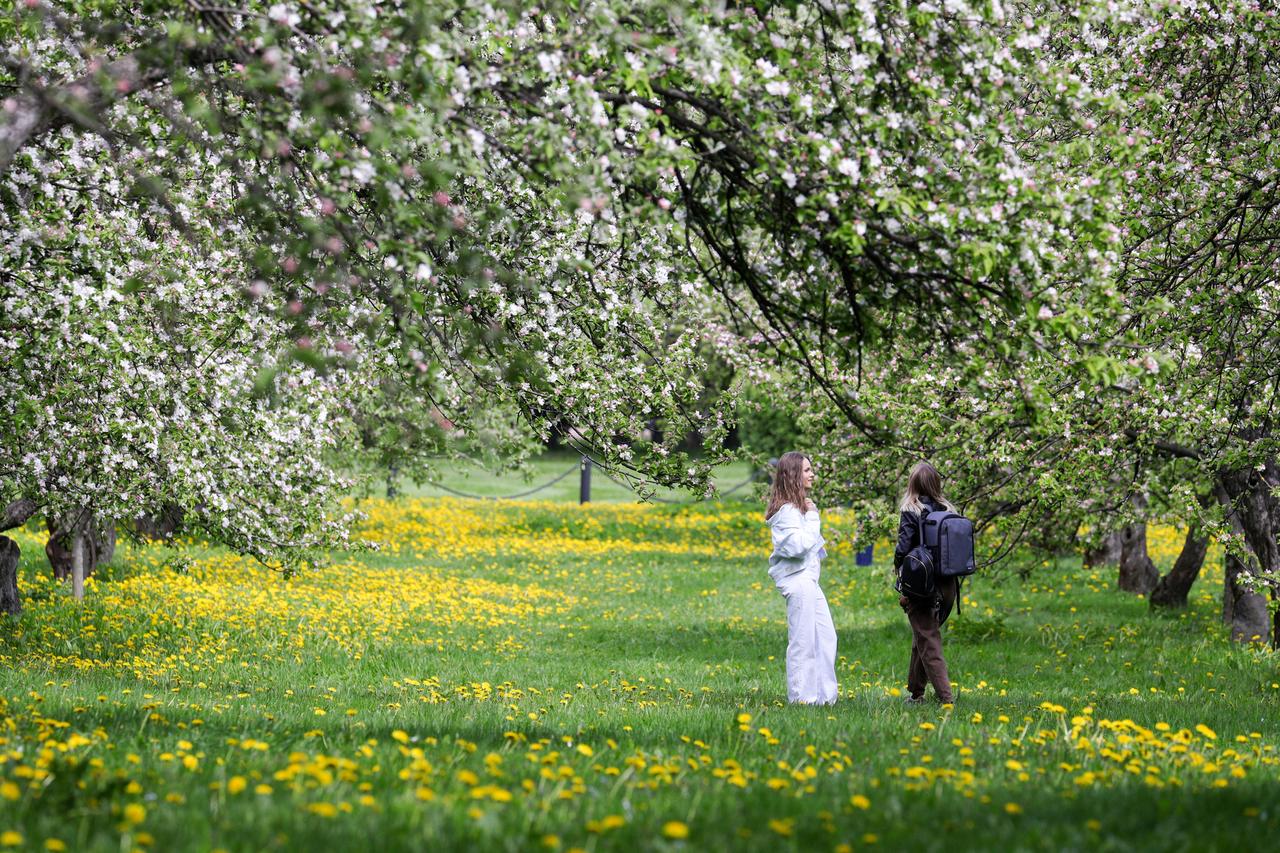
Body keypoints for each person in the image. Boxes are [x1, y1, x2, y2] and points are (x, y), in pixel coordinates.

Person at [766, 451, 838, 705]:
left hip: (809, 580)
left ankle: (825, 697)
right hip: (798, 580)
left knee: (825, 637)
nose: (812, 474)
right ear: (793, 475)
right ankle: (802, 698)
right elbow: (798, 547)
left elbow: (810, 546)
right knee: (803, 640)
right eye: (807, 470)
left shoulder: (798, 509)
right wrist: (813, 516)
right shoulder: (787, 512)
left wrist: (809, 515)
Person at [894, 461, 957, 705]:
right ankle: (916, 693)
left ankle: (946, 699)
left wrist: (898, 571)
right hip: (948, 585)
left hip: (923, 586)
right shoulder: (948, 510)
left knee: (928, 640)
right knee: (923, 633)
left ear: (913, 483)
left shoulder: (911, 509)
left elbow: (903, 548)